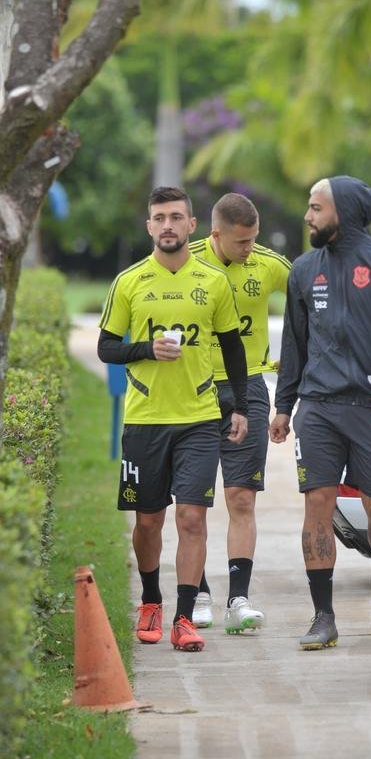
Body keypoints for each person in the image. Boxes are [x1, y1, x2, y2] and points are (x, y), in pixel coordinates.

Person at [269, 176, 371, 650]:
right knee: (318, 504)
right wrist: (284, 405)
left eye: (317, 208)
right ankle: (323, 617)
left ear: (345, 211)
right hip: (317, 408)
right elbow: (294, 343)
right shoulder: (303, 268)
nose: (308, 216)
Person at [97, 186, 248, 653]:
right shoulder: (129, 282)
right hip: (144, 420)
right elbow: (107, 347)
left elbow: (232, 347)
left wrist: (239, 406)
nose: (167, 225)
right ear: (149, 226)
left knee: (192, 519)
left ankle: (184, 618)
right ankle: (150, 601)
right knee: (148, 522)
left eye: (175, 217)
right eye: (159, 217)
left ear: (191, 225)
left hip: (199, 419)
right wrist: (146, 350)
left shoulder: (214, 281)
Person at [189, 193, 291, 632]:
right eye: (240, 242)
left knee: (241, 497)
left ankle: (239, 598)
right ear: (215, 235)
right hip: (191, 389)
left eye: (253, 240)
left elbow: (311, 302)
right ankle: (199, 593)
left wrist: (297, 356)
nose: (249, 248)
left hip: (247, 385)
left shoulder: (268, 264)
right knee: (192, 504)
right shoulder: (185, 262)